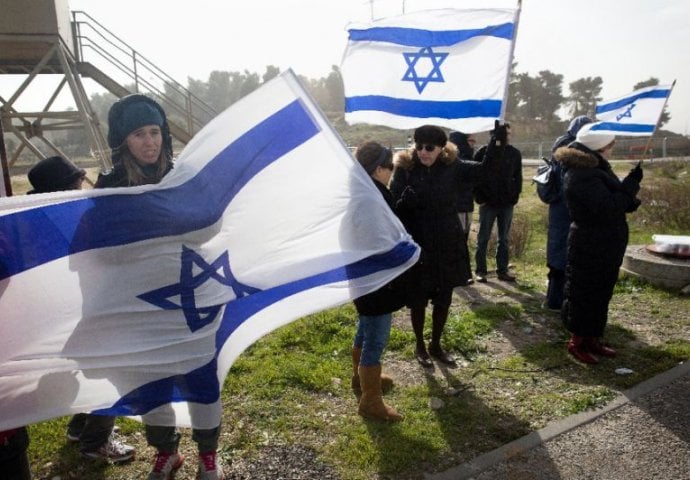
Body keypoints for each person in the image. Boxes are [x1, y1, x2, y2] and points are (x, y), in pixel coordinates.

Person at [98, 93, 225, 479]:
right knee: (151, 382)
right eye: (139, 134)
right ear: (123, 142)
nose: (150, 141)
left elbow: (212, 227)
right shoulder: (109, 188)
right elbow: (98, 253)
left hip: (191, 301)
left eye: (155, 132)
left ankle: (208, 457)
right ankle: (166, 452)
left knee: (201, 377)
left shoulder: (183, 178)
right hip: (139, 306)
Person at [26, 155, 136, 465]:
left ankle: (79, 426)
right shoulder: (66, 218)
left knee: (89, 368)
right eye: (75, 184)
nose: (81, 188)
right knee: (114, 370)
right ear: (62, 190)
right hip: (92, 310)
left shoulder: (40, 219)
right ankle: (95, 442)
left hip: (72, 313)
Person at [390, 123, 504, 368]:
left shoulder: (453, 167)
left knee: (443, 298)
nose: (423, 152)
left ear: (441, 148)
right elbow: (393, 208)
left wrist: (496, 143)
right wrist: (404, 202)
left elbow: (486, 172)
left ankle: (436, 345)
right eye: (419, 146)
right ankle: (420, 344)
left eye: (429, 147)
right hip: (418, 242)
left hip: (446, 241)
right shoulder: (406, 169)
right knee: (418, 299)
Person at [554, 122, 643, 364]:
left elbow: (615, 198)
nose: (613, 148)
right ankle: (577, 341)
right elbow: (606, 207)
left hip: (606, 241)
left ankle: (592, 337)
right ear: (601, 146)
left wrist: (629, 191)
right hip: (590, 242)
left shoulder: (597, 167)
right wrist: (630, 187)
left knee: (602, 290)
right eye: (611, 144)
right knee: (584, 291)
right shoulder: (581, 173)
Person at [351, 141, 404, 421]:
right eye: (390, 167)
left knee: (365, 326)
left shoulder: (360, 192)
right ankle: (371, 402)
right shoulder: (374, 198)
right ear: (379, 169)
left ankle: (359, 379)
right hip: (375, 278)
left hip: (363, 276)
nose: (392, 173)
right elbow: (381, 240)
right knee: (376, 336)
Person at [542, 116, 592, 310]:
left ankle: (554, 299)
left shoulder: (561, 145)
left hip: (559, 209)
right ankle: (557, 301)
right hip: (567, 208)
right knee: (565, 254)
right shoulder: (573, 148)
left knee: (558, 253)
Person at [473, 123, 522, 283]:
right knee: (483, 237)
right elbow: (475, 177)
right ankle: (480, 270)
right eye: (502, 133)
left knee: (504, 238)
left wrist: (514, 196)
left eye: (508, 133)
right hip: (488, 203)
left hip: (506, 203)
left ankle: (502, 270)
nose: (506, 136)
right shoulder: (483, 152)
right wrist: (480, 197)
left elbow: (518, 177)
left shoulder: (514, 153)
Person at [448, 131, 476, 285]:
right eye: (470, 140)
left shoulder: (467, 157)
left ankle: (462, 273)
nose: (473, 142)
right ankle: (458, 274)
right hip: (459, 206)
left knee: (462, 240)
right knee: (457, 241)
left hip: (466, 205)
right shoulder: (459, 160)